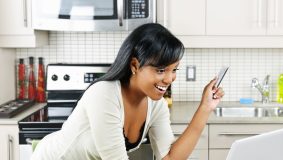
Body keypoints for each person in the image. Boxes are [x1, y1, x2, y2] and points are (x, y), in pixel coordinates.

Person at [31, 23, 224, 160]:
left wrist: (205, 108)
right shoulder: (104, 94)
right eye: (160, 70)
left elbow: (171, 158)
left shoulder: (156, 104)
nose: (169, 78)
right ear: (134, 65)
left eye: (174, 70)